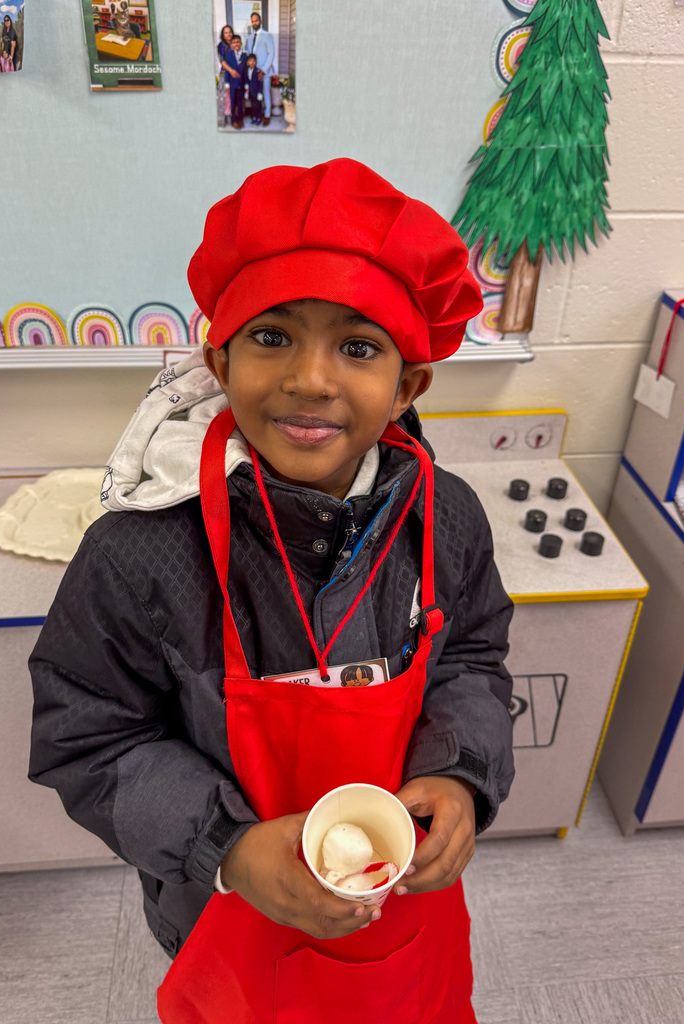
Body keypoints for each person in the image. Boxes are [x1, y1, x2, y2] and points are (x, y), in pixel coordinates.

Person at [28, 158, 515, 1024]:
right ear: (219, 357)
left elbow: (472, 659)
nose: (310, 379)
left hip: (399, 900)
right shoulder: (138, 554)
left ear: (408, 385)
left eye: (358, 347)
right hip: (217, 902)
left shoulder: (446, 520)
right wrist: (229, 848)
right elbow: (89, 736)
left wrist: (461, 775)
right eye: (272, 336)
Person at [243, 11, 275, 125]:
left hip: (263, 71)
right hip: (253, 72)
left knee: (265, 93)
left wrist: (264, 69)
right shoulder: (250, 38)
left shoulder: (267, 35)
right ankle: (257, 115)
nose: (254, 23)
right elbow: (249, 54)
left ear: (260, 21)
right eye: (252, 21)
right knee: (255, 95)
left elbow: (271, 54)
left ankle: (267, 115)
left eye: (256, 20)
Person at [223, 35, 245, 129]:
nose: (236, 44)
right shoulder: (228, 56)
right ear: (231, 44)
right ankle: (233, 120)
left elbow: (245, 72)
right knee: (233, 102)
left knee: (240, 103)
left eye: (238, 42)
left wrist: (246, 85)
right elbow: (227, 71)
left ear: (241, 43)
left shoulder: (245, 56)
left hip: (241, 83)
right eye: (234, 42)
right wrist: (227, 84)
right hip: (232, 84)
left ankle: (240, 119)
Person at [216, 24, 233, 127]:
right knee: (223, 97)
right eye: (226, 32)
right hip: (225, 73)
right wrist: (231, 71)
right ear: (223, 35)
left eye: (230, 32)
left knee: (233, 97)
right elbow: (222, 62)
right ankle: (222, 120)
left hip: (235, 74)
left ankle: (231, 118)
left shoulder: (235, 43)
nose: (228, 34)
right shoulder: (221, 45)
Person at [243, 53, 263, 125]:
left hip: (256, 91)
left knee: (258, 105)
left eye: (253, 61)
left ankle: (259, 118)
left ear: (256, 62)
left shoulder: (258, 71)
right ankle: (254, 117)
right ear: (247, 62)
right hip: (251, 92)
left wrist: (260, 92)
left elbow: (260, 82)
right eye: (250, 61)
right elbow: (247, 80)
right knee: (253, 105)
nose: (252, 63)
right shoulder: (246, 70)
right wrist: (246, 90)